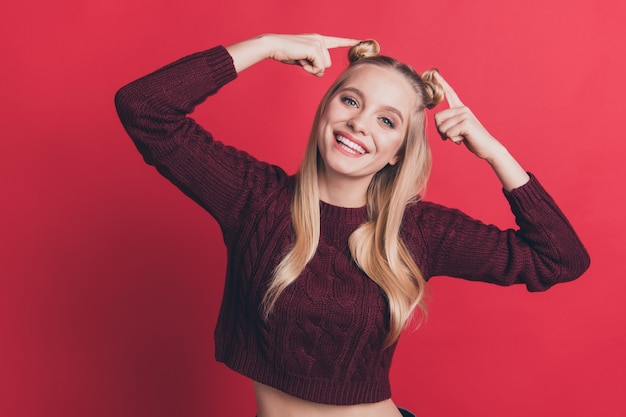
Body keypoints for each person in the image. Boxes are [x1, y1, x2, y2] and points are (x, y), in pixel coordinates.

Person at [115, 33, 590, 417]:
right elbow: (144, 108)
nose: (360, 123)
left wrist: (494, 152)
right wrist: (265, 45)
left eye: (387, 121)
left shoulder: (418, 231)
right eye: (350, 100)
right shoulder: (254, 199)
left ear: (400, 151)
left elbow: (560, 258)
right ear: (326, 109)